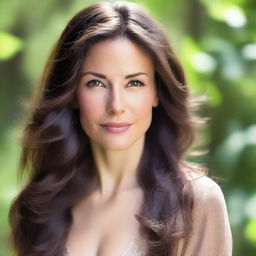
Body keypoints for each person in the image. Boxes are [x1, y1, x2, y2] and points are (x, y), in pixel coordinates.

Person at [9, 1, 233, 256]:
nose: (116, 105)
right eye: (96, 83)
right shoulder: (41, 207)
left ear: (157, 93)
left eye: (134, 83)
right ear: (71, 94)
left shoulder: (198, 202)